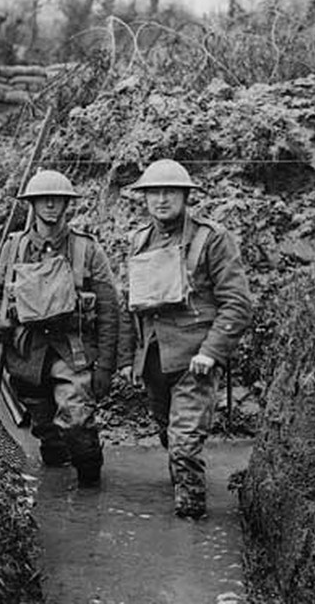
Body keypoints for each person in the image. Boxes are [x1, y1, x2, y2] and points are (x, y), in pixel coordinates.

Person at [118, 159, 252, 518]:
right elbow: (132, 305)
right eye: (153, 193)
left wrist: (211, 351)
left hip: (196, 361)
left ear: (185, 196)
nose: (161, 200)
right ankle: (180, 478)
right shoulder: (138, 240)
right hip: (154, 362)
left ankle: (191, 520)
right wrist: (130, 357)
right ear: (144, 198)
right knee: (167, 432)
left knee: (185, 443)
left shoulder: (212, 239)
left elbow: (237, 304)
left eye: (170, 192)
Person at [0, 169, 119, 487]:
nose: (49, 205)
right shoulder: (13, 248)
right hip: (27, 352)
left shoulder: (87, 249)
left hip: (71, 350)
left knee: (76, 419)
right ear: (31, 203)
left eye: (56, 199)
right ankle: (55, 485)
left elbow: (109, 310)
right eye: (43, 199)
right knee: (46, 431)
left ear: (66, 204)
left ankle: (89, 481)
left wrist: (106, 367)